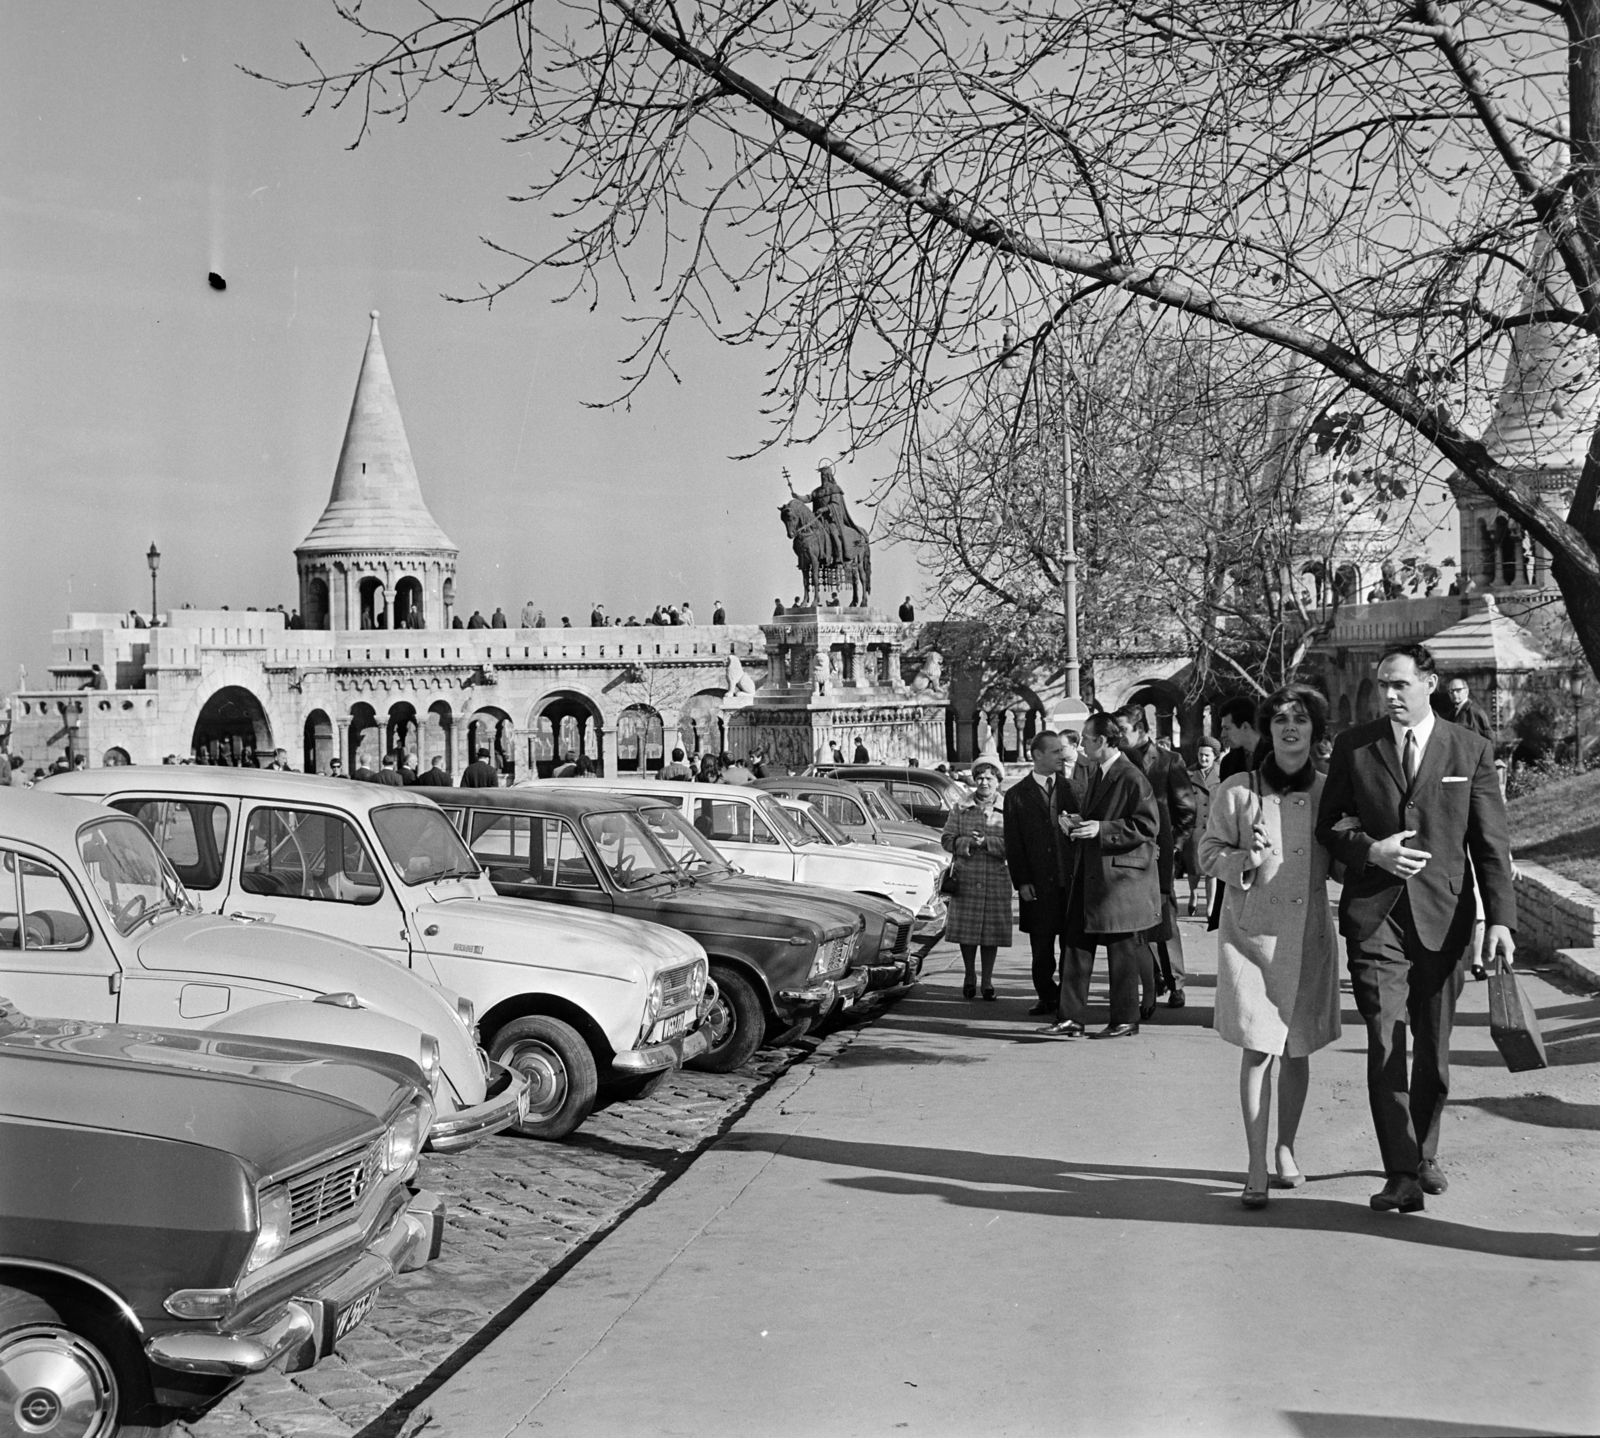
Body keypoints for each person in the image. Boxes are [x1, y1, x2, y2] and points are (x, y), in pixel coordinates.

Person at [1316, 642, 1516, 1214]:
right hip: (1375, 918)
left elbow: (1490, 844)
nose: (1390, 695)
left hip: (1444, 918)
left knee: (1433, 1047)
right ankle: (1400, 1171)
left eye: (1400, 684)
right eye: (1383, 685)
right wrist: (1371, 850)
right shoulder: (1356, 747)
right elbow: (1331, 827)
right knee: (1384, 1041)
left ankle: (1425, 1151)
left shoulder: (1470, 749)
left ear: (1429, 683)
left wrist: (1500, 920)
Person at [1201, 685, 1342, 1209]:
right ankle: (1255, 1162)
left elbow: (1347, 863)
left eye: (1301, 720)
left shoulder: (1330, 791)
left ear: (1314, 731)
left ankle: (1286, 1148)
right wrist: (1244, 858)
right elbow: (1206, 853)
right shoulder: (1238, 790)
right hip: (1252, 940)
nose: (1290, 728)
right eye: (1280, 719)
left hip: (1306, 938)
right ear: (1267, 729)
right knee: (1259, 1050)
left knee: (1299, 1048)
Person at [1044, 712, 1161, 1039]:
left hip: (1118, 882)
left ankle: (1125, 1020)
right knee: (1076, 945)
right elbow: (1106, 818)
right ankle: (1070, 1017)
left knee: (1121, 950)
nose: (1082, 744)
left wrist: (1100, 828)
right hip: (1096, 875)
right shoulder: (1102, 772)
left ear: (1106, 741)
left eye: (1088, 738)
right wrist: (1082, 821)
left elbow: (1148, 826)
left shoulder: (1130, 776)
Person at [1113, 704, 1196, 1009]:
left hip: (1160, 855)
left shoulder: (1167, 761)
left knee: (1164, 919)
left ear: (1141, 729)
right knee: (1132, 923)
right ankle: (1152, 979)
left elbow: (1186, 809)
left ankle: (1175, 982)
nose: (1117, 735)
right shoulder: (1115, 763)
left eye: (1122, 729)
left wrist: (1173, 847)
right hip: (1125, 856)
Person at [1004, 730, 1070, 1015]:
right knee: (1042, 948)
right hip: (1038, 885)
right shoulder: (1017, 795)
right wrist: (1022, 881)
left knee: (1072, 947)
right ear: (1037, 755)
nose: (1062, 756)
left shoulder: (1073, 789)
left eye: (1062, 751)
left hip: (1069, 883)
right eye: (1055, 751)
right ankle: (1047, 995)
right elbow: (1013, 842)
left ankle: (1069, 996)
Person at [941, 754, 1012, 999]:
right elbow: (947, 839)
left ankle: (988, 980)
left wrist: (988, 842)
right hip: (967, 877)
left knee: (991, 933)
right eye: (979, 777)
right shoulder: (960, 806)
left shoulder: (1009, 807)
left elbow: (1016, 844)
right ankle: (969, 974)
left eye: (989, 778)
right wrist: (968, 843)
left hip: (995, 877)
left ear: (998, 780)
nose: (984, 782)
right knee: (968, 933)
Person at [1185, 738, 1220, 916]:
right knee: (1193, 869)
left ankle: (1210, 908)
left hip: (1214, 830)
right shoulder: (1188, 773)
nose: (1203, 759)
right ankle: (1193, 894)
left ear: (1215, 756)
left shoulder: (1222, 774)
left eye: (1207, 755)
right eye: (1200, 754)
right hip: (1194, 829)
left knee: (1211, 871)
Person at [1438, 675, 1493, 742]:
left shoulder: (1475, 711)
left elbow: (1489, 739)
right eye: (1451, 691)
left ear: (1466, 691)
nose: (1454, 694)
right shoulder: (1452, 713)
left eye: (1458, 690)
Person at [1217, 697, 1261, 780]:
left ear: (1245, 727)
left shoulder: (1279, 757)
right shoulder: (1227, 763)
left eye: (1227, 728)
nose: (1222, 734)